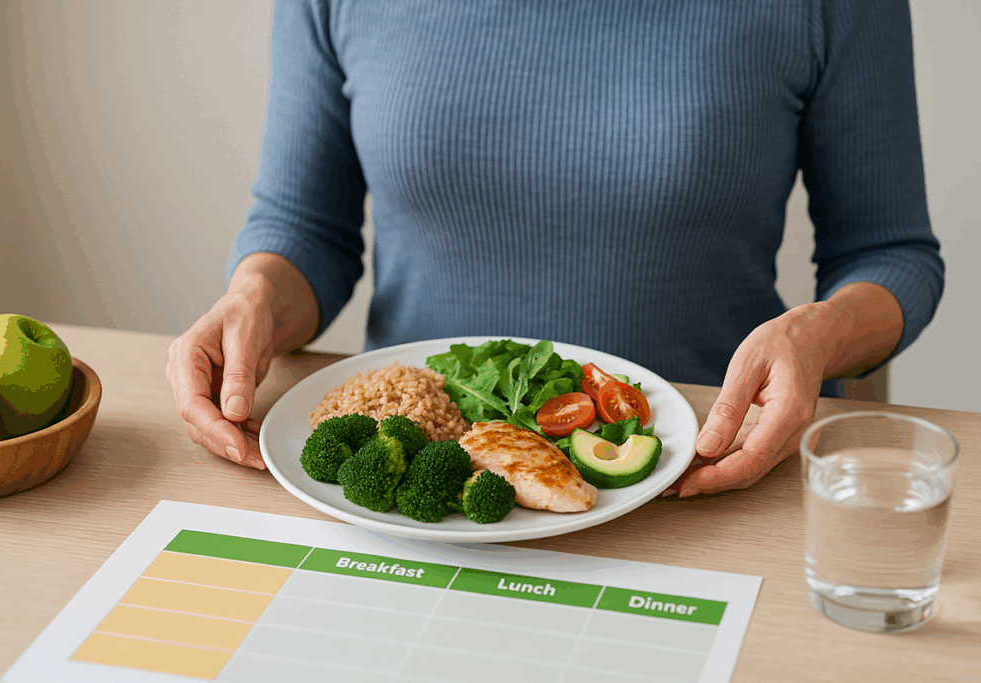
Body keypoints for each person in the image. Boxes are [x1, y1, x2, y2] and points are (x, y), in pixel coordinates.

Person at [166, 0, 944, 496]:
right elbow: (309, 233)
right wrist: (256, 296)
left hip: (707, 479)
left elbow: (890, 253)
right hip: (419, 497)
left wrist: (821, 335)